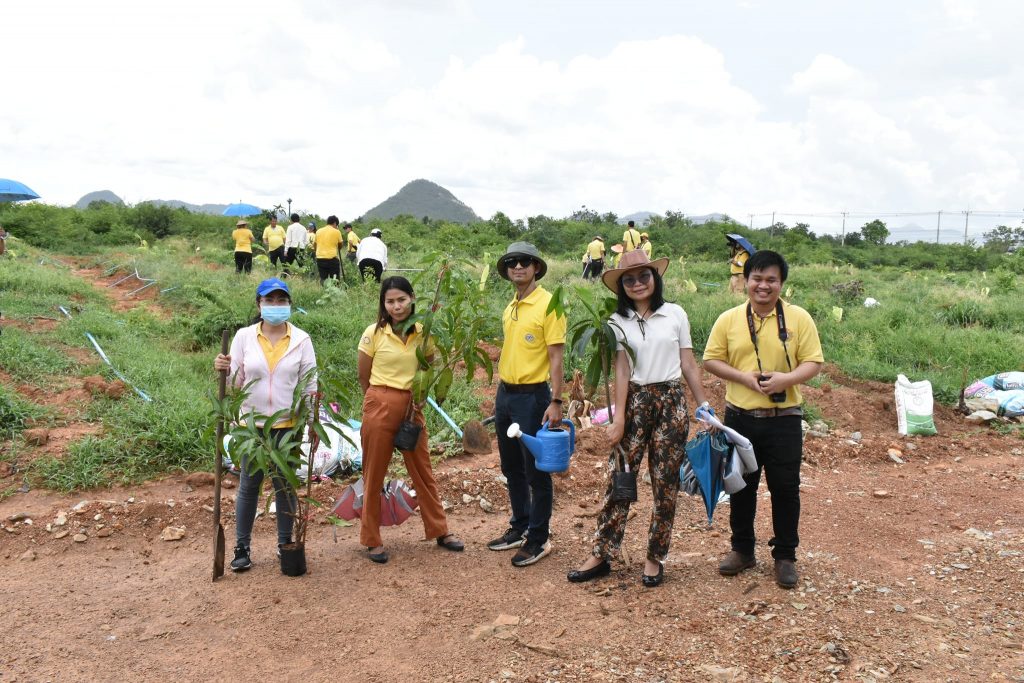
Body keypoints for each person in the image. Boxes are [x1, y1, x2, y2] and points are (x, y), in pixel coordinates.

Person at [567, 250, 711, 588]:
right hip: (635, 401)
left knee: (665, 483)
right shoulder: (618, 321)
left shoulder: (675, 313)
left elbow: (688, 363)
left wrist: (703, 405)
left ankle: (654, 556)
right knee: (620, 478)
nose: (637, 283)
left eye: (643, 276)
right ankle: (602, 552)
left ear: (654, 278)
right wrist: (617, 418)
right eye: (629, 280)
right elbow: (621, 369)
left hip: (671, 403)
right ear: (622, 286)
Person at [702, 250, 823, 589]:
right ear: (746, 281)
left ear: (781, 283)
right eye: (757, 278)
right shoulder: (728, 319)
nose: (763, 286)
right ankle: (742, 550)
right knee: (741, 487)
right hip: (740, 418)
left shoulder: (799, 318)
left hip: (784, 418)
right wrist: (744, 377)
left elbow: (813, 362)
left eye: (771, 279)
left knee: (785, 489)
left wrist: (785, 380)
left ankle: (785, 556)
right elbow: (710, 359)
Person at [357, 276, 464, 563]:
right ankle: (371, 539)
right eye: (390, 301)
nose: (396, 306)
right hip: (379, 403)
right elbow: (363, 375)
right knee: (374, 473)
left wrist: (419, 396)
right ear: (383, 304)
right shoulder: (374, 334)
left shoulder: (423, 333)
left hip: (412, 407)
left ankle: (440, 530)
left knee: (423, 472)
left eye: (401, 300)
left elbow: (427, 368)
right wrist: (377, 401)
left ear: (412, 298)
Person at [214, 277, 318, 572]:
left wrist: (312, 422)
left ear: (289, 305)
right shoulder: (244, 337)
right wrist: (222, 369)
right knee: (250, 484)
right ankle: (242, 547)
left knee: (285, 487)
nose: (275, 306)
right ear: (258, 305)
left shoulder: (301, 340)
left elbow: (310, 383)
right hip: (252, 427)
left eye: (281, 300)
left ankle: (285, 543)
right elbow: (236, 383)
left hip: (288, 426)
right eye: (269, 301)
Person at [489, 242, 566, 567]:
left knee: (536, 472)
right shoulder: (511, 307)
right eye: (512, 262)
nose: (518, 266)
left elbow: (556, 357)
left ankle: (539, 538)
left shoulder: (550, 305)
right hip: (506, 395)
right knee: (511, 467)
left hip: (534, 397)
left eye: (525, 262)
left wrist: (556, 400)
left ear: (536, 268)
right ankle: (520, 527)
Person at [313, 215, 344, 284]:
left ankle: (324, 292)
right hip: (332, 259)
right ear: (335, 223)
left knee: (323, 279)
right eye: (337, 225)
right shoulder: (337, 231)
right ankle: (334, 292)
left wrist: (317, 251)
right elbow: (340, 244)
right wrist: (338, 247)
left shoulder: (318, 231)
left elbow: (315, 245)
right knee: (335, 279)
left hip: (320, 259)